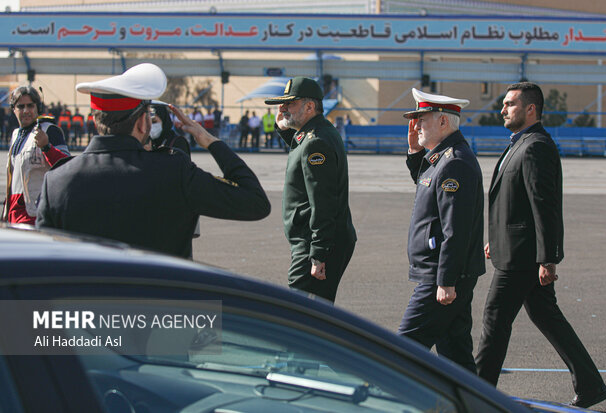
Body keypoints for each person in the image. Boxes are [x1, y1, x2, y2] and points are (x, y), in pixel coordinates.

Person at [36, 63, 271, 259]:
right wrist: (211, 141)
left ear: (95, 120)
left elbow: (45, 266)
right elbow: (255, 202)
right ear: (142, 123)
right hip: (165, 312)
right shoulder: (173, 172)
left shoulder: (55, 182)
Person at [475, 82, 606, 408]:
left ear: (530, 109)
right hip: (515, 250)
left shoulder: (536, 146)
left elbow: (543, 204)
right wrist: (496, 236)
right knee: (547, 316)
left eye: (510, 104)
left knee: (494, 319)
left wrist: (548, 258)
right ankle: (590, 385)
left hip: (522, 258)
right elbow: (515, 202)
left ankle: (477, 392)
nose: (503, 109)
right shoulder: (520, 144)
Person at [396, 88, 485, 373]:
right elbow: (426, 183)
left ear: (444, 122)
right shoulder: (442, 158)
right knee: (456, 357)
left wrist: (446, 281)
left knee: (401, 351)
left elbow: (455, 229)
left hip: (441, 276)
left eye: (422, 119)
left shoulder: (454, 162)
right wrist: (414, 152)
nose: (417, 125)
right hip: (443, 273)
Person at [265, 76, 356, 302]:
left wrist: (318, 253)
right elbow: (300, 147)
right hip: (316, 238)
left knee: (301, 313)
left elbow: (323, 202)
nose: (282, 108)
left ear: (309, 106)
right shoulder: (316, 133)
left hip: (315, 241)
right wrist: (283, 126)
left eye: (290, 104)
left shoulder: (316, 141)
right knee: (314, 315)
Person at [2, 86, 69, 225]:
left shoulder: (50, 131)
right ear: (13, 109)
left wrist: (47, 147)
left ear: (37, 107)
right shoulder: (15, 135)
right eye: (21, 106)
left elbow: (67, 167)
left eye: (30, 106)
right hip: (14, 215)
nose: (26, 110)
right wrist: (6, 210)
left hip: (37, 216)